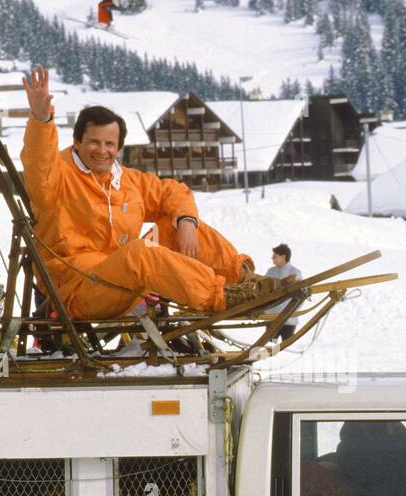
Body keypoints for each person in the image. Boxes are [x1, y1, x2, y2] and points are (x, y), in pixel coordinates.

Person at [18, 66, 279, 320]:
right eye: (94, 142)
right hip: (78, 289)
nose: (102, 150)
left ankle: (247, 283)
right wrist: (42, 121)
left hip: (126, 283)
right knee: (140, 253)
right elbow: (38, 164)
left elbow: (173, 193)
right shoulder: (57, 177)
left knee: (176, 226)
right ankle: (223, 296)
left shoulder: (127, 181)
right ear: (77, 141)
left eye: (110, 144)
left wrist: (187, 222)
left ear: (118, 148)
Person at [265, 243, 302, 340]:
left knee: (287, 348)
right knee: (272, 348)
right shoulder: (270, 272)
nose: (272, 258)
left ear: (283, 257)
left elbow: (301, 297)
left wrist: (291, 312)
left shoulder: (296, 273)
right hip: (271, 319)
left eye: (274, 256)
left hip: (289, 321)